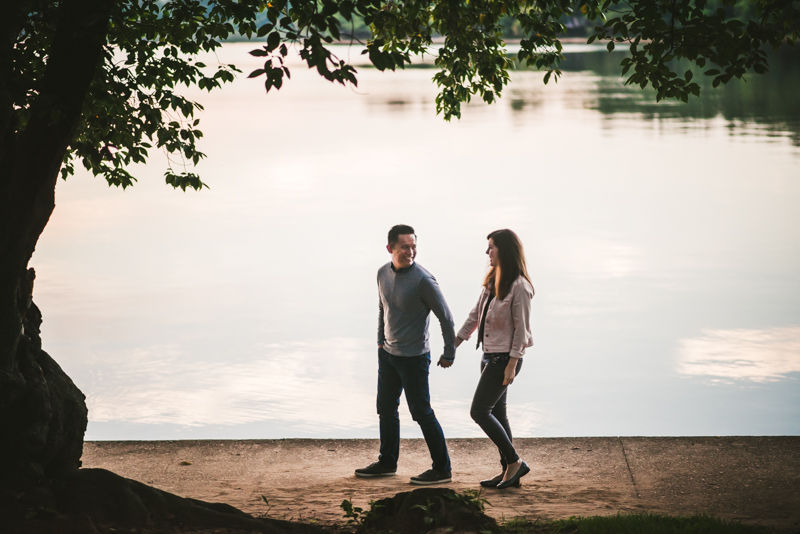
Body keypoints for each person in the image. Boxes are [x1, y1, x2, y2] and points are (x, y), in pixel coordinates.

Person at [355, 224, 456, 485]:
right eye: (404, 247)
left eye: (413, 246)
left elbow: (445, 318)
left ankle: (442, 469)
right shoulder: (381, 274)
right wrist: (380, 343)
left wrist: (449, 353)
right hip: (388, 355)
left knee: (421, 412)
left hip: (414, 358)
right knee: (386, 409)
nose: (410, 252)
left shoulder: (424, 280)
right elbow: (382, 309)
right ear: (390, 248)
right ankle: (387, 462)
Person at [448, 229, 534, 489]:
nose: (487, 252)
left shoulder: (520, 287)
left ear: (505, 250)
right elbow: (476, 315)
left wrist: (511, 364)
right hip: (488, 357)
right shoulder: (492, 281)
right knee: (498, 414)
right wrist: (454, 344)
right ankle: (509, 471)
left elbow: (522, 330)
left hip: (504, 360)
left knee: (479, 411)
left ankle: (515, 462)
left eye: (492, 247)